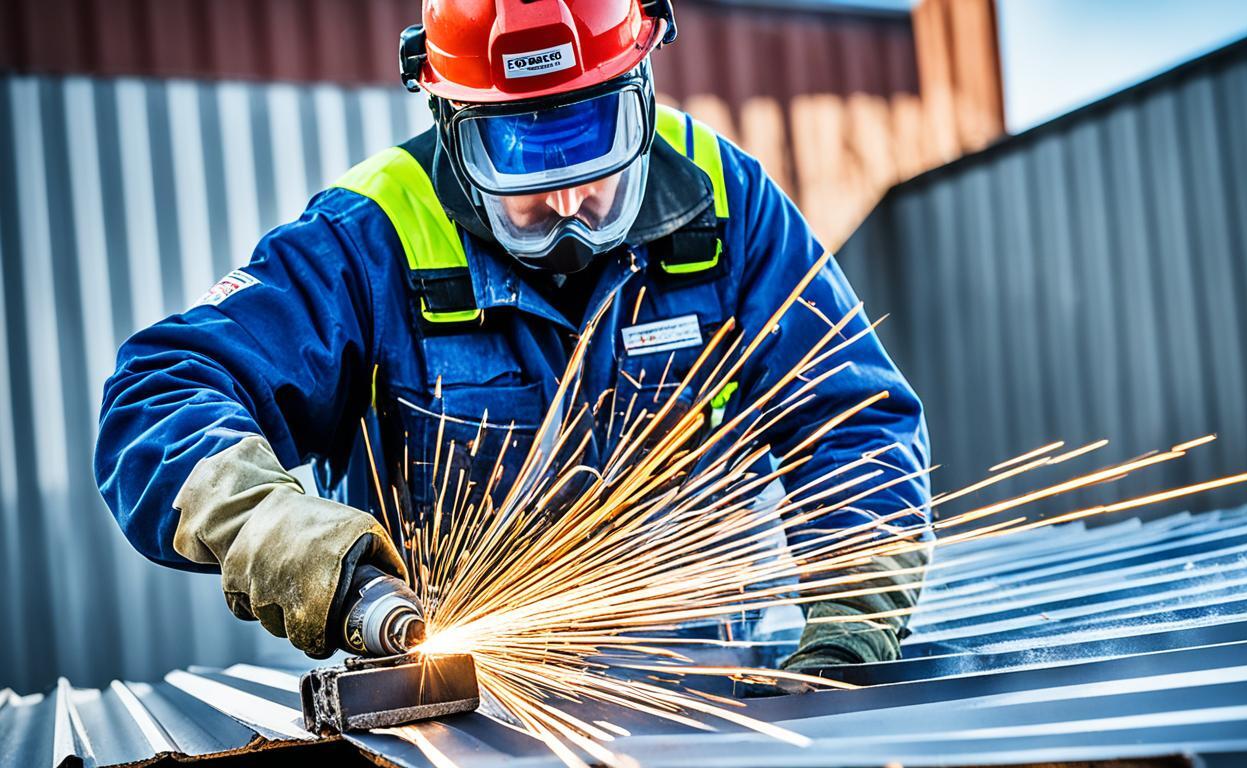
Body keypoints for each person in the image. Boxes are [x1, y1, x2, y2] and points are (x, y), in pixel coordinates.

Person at [94, 0, 931, 670]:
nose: (568, 203)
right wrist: (282, 533)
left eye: (592, 145)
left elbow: (851, 418)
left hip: (708, 693)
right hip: (459, 714)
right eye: (521, 150)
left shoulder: (725, 203)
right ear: (448, 115)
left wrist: (850, 627)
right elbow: (157, 395)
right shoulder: (369, 240)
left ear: (642, 86)